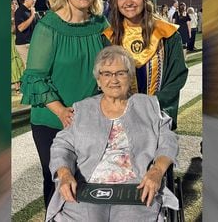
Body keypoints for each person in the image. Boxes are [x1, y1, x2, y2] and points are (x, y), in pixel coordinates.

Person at [46, 45, 179, 221]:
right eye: (107, 74)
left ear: (130, 76)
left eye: (120, 73)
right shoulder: (82, 108)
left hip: (136, 187)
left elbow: (168, 141)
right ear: (98, 80)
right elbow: (62, 146)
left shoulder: (148, 105)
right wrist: (64, 174)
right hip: (86, 187)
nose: (113, 80)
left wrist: (157, 171)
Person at [20, 0, 109, 209]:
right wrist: (61, 111)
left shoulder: (100, 24)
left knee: (88, 186)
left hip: (90, 120)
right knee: (60, 186)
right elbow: (34, 77)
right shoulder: (49, 26)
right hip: (52, 121)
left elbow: (109, 67)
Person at [104, 0, 188, 130]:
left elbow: (176, 77)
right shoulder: (109, 37)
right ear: (116, 0)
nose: (128, 2)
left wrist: (151, 105)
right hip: (120, 122)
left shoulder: (167, 35)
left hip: (157, 118)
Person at [14, 0, 39, 68]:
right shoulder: (20, 11)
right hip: (23, 44)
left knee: (34, 66)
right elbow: (20, 28)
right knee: (30, 67)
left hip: (31, 43)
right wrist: (32, 15)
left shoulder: (30, 11)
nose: (35, 0)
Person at [11, 0, 24, 95]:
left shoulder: (19, 15)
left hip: (21, 39)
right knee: (14, 62)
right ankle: (17, 86)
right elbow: (13, 30)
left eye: (16, 3)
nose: (14, 6)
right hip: (12, 40)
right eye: (12, 4)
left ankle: (23, 83)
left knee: (21, 61)